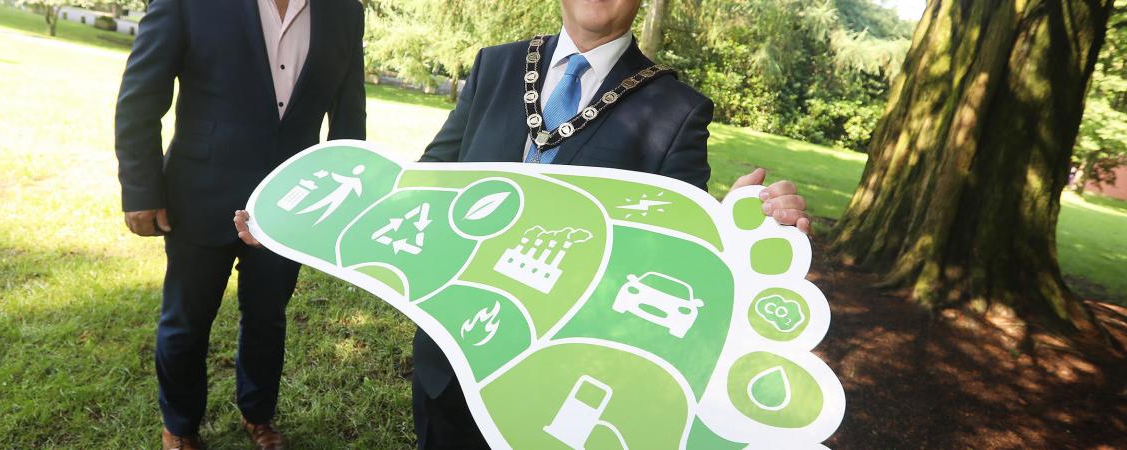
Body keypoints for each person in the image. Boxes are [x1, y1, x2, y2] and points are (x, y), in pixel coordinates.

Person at [411, 0, 810, 448]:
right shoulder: (496, 64)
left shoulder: (677, 111)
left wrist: (734, 227)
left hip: (560, 382)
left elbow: (678, 252)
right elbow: (429, 183)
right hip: (449, 358)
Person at [114, 0, 366, 447]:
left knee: (269, 318)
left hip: (293, 204)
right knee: (186, 321)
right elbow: (141, 96)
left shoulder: (345, 11)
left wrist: (337, 203)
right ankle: (179, 425)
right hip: (199, 194)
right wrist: (141, 189)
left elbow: (349, 116)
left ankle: (258, 415)